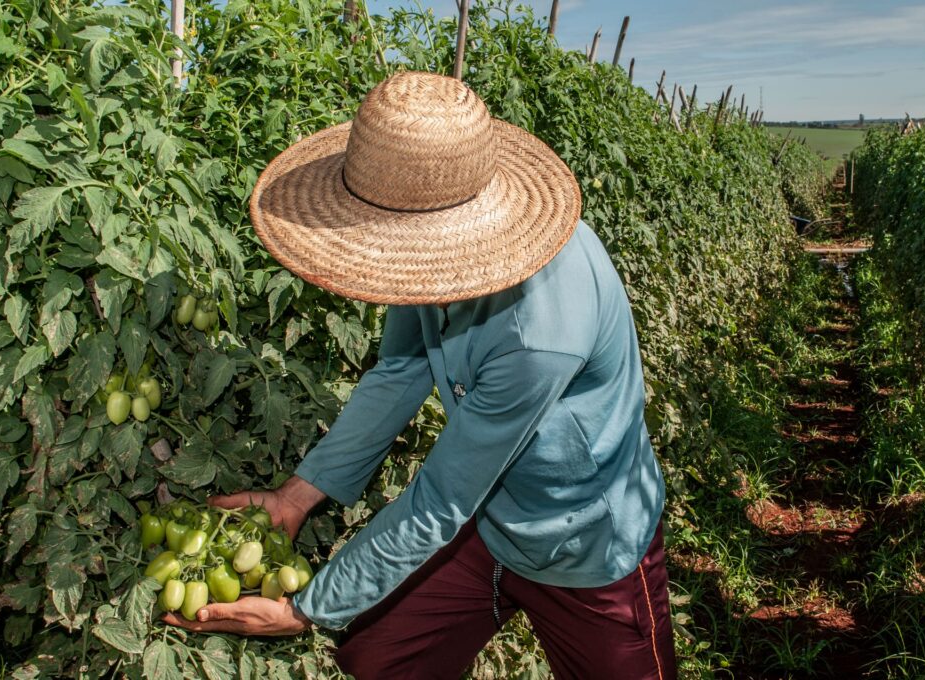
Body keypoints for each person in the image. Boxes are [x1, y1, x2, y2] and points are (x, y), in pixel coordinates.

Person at [163, 71, 677, 680]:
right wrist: (296, 496)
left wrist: (306, 610)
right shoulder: (433, 250)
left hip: (583, 545)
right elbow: (398, 372)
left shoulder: (538, 334)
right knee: (379, 658)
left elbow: (442, 499)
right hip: (486, 527)